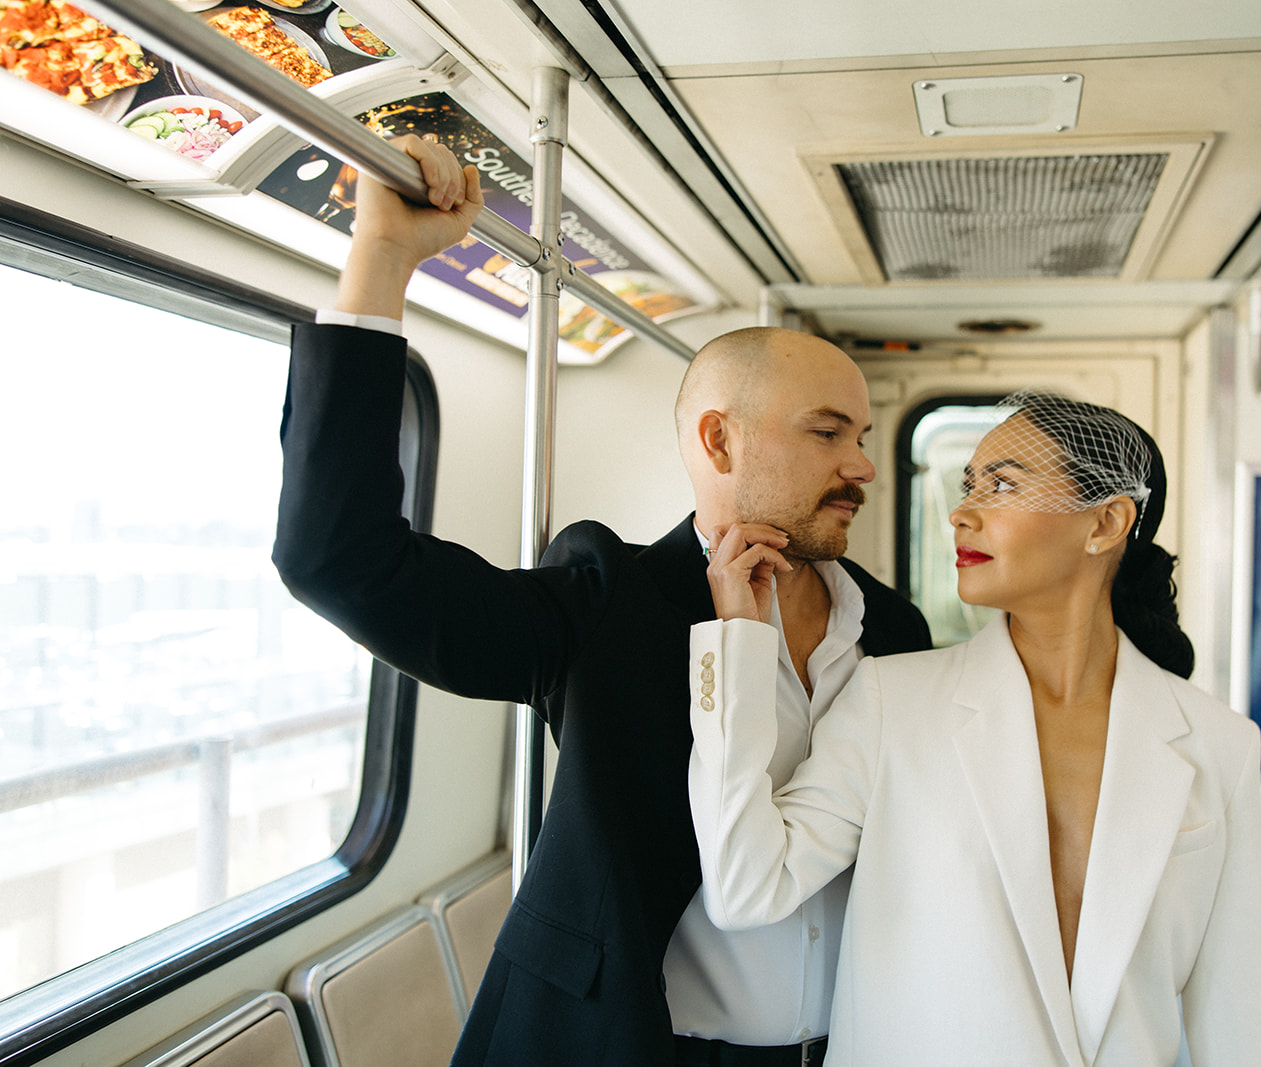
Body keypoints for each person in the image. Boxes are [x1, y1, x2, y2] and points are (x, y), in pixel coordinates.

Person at [271, 134, 931, 1066]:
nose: (863, 466)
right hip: (621, 1044)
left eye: (863, 435)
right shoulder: (607, 601)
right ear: (720, 440)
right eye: (828, 433)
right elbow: (341, 559)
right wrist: (380, 256)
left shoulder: (895, 629)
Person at [689, 391, 1261, 1066]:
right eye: (968, 483)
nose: (961, 512)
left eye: (1003, 483)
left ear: (1106, 522)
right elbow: (746, 886)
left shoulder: (1219, 743)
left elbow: (1241, 1010)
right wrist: (737, 642)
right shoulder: (892, 702)